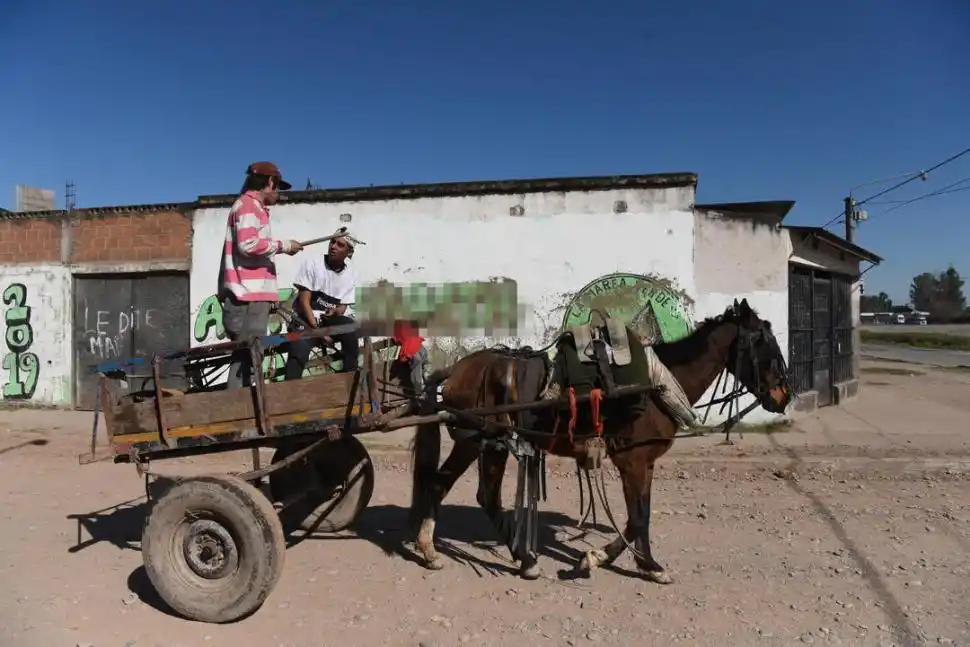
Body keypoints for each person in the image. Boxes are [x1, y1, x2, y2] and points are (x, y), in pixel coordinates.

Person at [218, 161, 303, 389]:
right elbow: (248, 244)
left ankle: (243, 415)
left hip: (251, 296)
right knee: (247, 361)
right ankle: (241, 417)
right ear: (270, 182)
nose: (278, 194)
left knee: (247, 359)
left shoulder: (249, 207)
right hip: (248, 297)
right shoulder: (248, 206)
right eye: (277, 187)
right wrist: (283, 246)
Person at [283, 228, 363, 379]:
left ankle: (349, 379)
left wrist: (335, 312)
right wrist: (318, 332)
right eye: (332, 242)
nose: (333, 246)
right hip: (305, 318)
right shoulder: (313, 264)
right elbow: (304, 302)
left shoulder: (351, 274)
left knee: (351, 330)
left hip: (327, 320)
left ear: (349, 252)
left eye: (340, 245)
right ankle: (289, 391)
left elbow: (342, 306)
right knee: (298, 352)